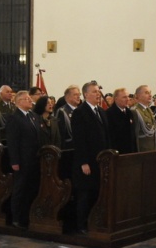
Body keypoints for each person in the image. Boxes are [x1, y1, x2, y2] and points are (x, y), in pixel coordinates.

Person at [71, 81, 109, 234]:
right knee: (85, 194)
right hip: (87, 161)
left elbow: (106, 136)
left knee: (96, 193)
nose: (97, 94)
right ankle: (81, 225)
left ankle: (94, 222)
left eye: (98, 91)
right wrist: (83, 162)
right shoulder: (80, 112)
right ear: (85, 94)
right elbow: (79, 140)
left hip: (100, 160)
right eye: (94, 91)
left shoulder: (101, 111)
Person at [5, 91, 41, 229]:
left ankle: (27, 216)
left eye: (29, 98)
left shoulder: (33, 116)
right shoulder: (14, 118)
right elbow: (13, 142)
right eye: (26, 99)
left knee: (31, 189)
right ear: (18, 101)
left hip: (34, 159)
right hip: (22, 160)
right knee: (20, 189)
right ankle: (16, 218)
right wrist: (14, 161)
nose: (30, 101)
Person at [106, 88, 136, 154]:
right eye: (124, 97)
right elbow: (110, 137)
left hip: (130, 152)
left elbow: (133, 134)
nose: (127, 99)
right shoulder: (109, 113)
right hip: (118, 153)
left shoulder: (129, 112)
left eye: (128, 96)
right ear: (116, 99)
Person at [132, 85, 156, 152]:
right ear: (138, 95)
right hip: (142, 149)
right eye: (146, 93)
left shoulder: (149, 110)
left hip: (151, 148)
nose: (150, 95)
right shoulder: (135, 111)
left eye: (150, 92)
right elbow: (135, 133)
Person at [55, 85, 80, 150]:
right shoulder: (62, 111)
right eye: (75, 95)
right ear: (67, 97)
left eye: (79, 94)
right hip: (69, 148)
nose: (78, 97)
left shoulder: (81, 110)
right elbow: (60, 134)